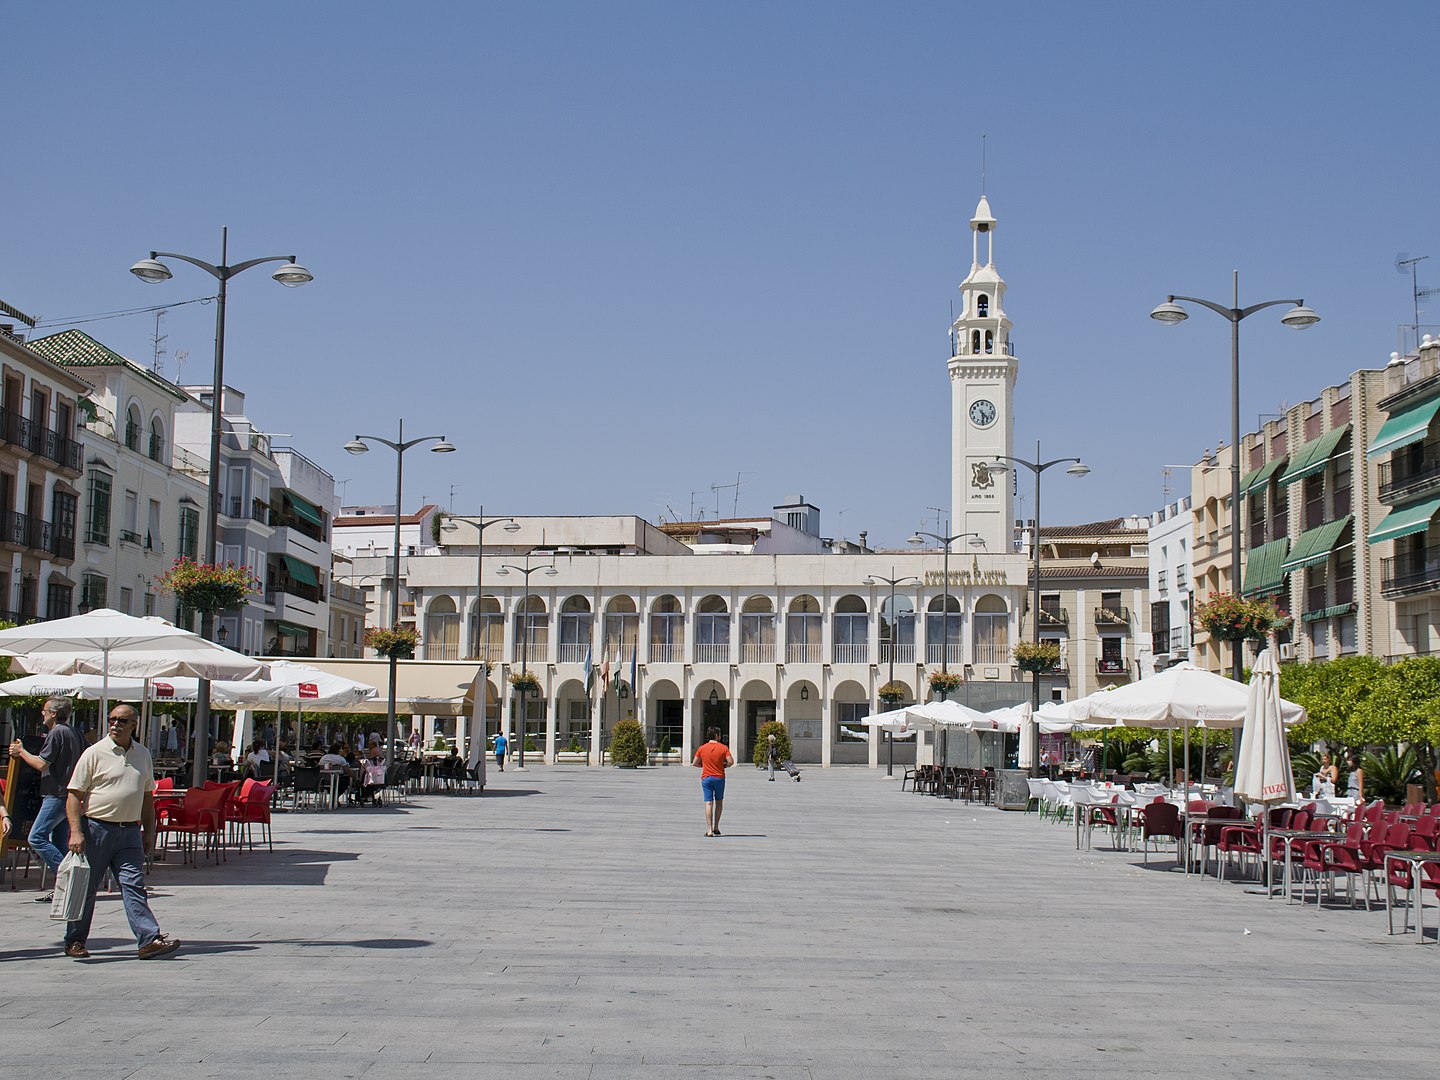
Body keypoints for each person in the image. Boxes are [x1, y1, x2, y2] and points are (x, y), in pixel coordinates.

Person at [62, 705, 180, 961]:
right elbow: (73, 796)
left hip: (129, 831)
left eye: (122, 720)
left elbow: (148, 797)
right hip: (97, 829)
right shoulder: (94, 753)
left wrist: (149, 832)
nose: (116, 724)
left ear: (134, 725)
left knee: (134, 886)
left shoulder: (142, 754)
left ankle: (149, 939)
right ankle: (75, 940)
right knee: (86, 888)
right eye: (112, 719)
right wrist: (76, 832)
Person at [9, 697, 86, 903]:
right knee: (59, 842)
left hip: (57, 794)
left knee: (36, 837)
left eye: (44, 711)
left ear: (53, 713)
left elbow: (42, 764)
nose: (42, 714)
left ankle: (68, 880)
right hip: (69, 793)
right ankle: (62, 889)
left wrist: (21, 752)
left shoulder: (57, 732)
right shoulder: (75, 732)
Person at [692, 727, 734, 837]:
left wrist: (704, 765)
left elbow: (694, 763)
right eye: (719, 735)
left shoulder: (702, 748)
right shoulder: (723, 748)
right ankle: (716, 827)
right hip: (719, 777)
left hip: (706, 778)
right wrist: (724, 765)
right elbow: (731, 762)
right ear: (716, 735)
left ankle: (709, 829)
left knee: (708, 803)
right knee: (719, 802)